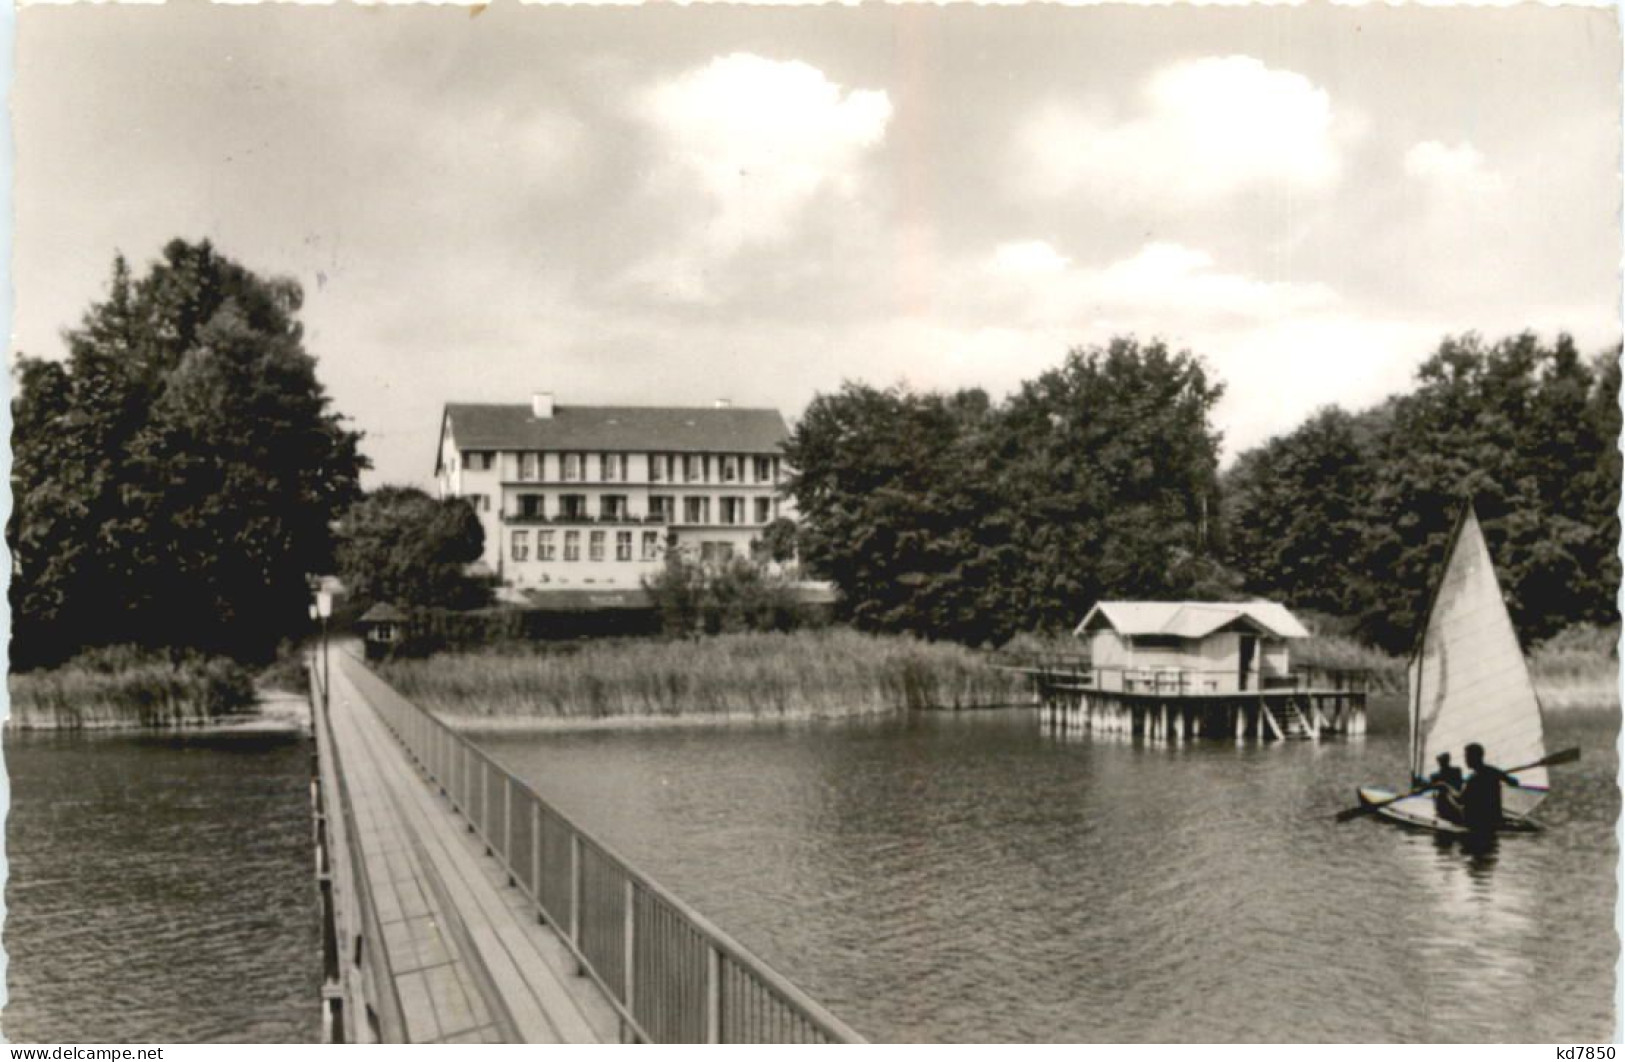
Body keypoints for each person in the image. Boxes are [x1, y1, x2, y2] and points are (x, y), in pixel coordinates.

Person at [1453, 743, 1520, 833]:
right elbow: (1514, 782)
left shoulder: (1472, 780)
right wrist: (1501, 775)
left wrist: (1445, 786)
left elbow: (1460, 800)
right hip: (1494, 818)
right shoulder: (1493, 771)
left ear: (1475, 757)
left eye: (1467, 756)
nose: (1465, 760)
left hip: (1475, 823)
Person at [1426, 751, 1465, 823]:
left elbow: (1429, 788)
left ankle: (1441, 813)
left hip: (1446, 805)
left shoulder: (1435, 776)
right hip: (1455, 802)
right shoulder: (1457, 771)